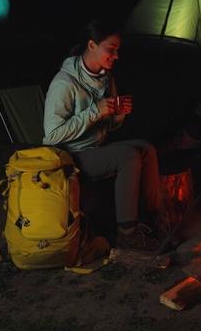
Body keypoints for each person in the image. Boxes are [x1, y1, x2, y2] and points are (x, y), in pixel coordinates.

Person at [43, 19, 162, 249]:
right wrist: (95, 112)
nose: (116, 56)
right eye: (111, 49)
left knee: (146, 149)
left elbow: (105, 127)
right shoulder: (64, 83)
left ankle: (154, 222)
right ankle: (128, 234)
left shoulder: (106, 78)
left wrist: (118, 115)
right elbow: (52, 136)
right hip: (70, 156)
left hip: (95, 148)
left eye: (118, 50)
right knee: (128, 156)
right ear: (91, 45)